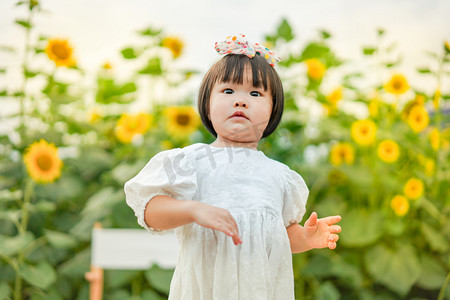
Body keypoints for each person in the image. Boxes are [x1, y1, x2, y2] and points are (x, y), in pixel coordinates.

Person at [124, 34, 342, 300]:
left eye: (255, 93)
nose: (240, 101)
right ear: (207, 103)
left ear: (273, 110)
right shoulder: (191, 161)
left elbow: (279, 236)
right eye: (228, 91)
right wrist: (192, 209)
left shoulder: (280, 177)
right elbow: (149, 210)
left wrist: (306, 239)